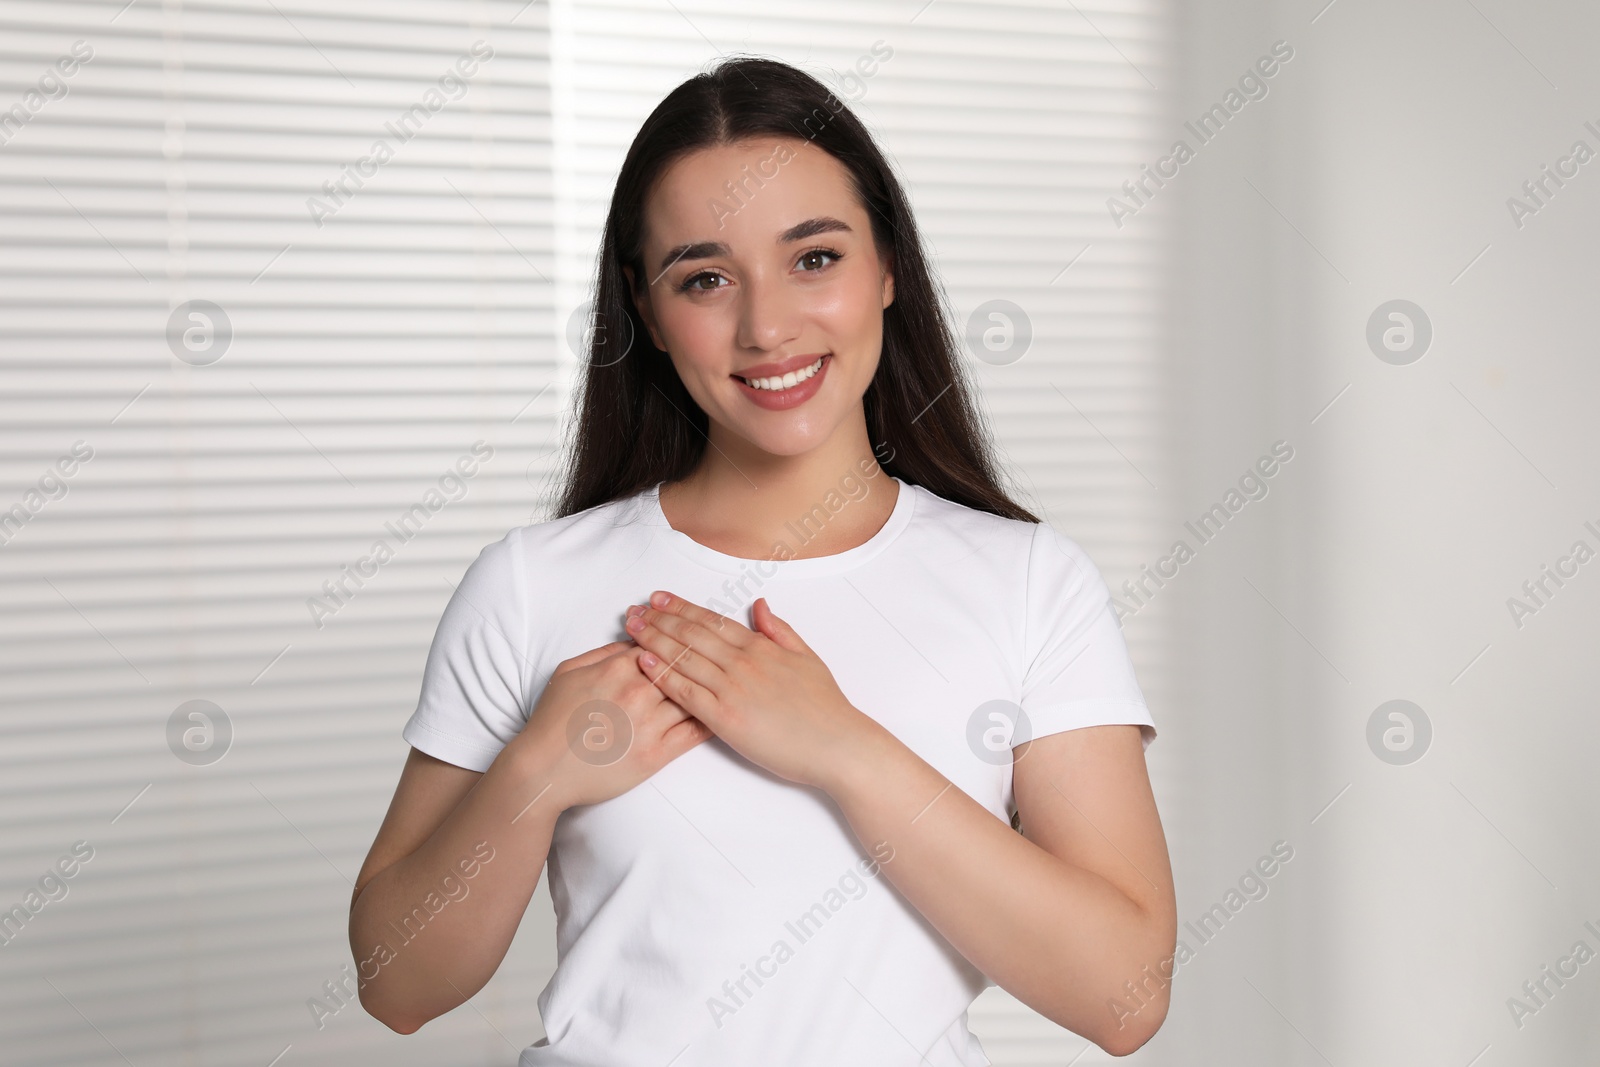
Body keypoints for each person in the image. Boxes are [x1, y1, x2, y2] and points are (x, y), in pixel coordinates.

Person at [349, 55, 1176, 1065]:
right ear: (647, 311)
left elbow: (1122, 997)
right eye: (704, 277)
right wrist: (533, 776)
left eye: (814, 258)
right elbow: (397, 984)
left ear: (887, 268)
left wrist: (837, 746)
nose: (766, 325)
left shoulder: (1029, 583)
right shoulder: (533, 585)